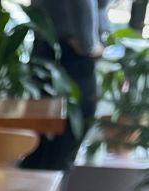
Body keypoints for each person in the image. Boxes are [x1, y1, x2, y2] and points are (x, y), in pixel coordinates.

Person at [21, 0, 103, 171]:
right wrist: (88, 43)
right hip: (70, 56)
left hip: (44, 50)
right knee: (61, 150)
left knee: (38, 148)